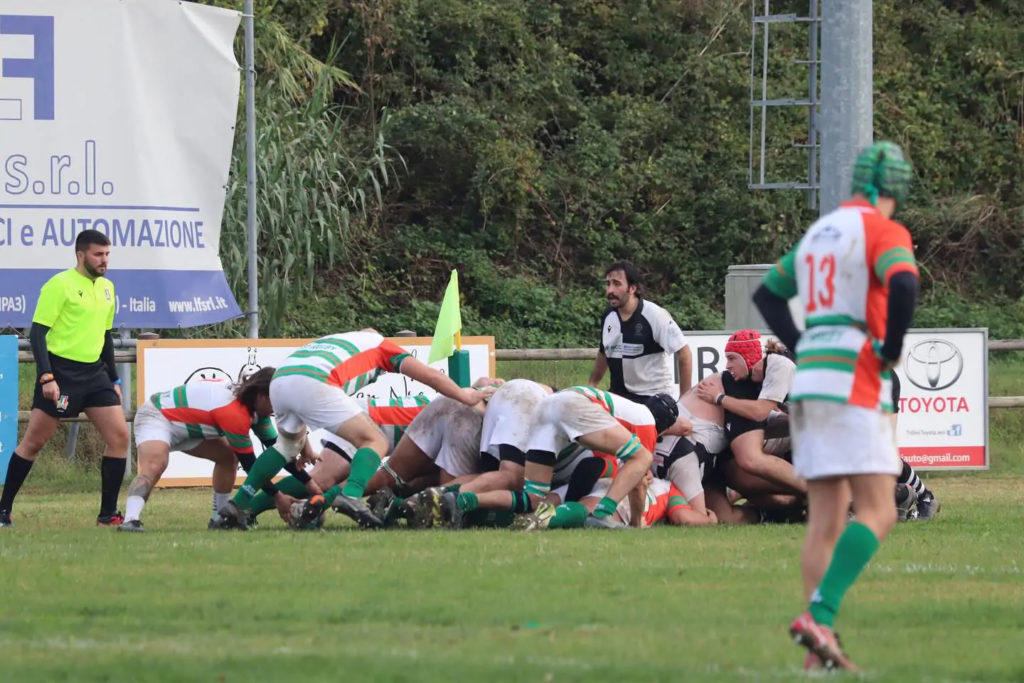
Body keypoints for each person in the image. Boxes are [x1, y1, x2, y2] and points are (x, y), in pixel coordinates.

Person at [753, 140, 918, 671]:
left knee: (823, 519)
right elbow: (905, 282)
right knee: (879, 510)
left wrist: (803, 346)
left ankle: (817, 652)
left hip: (811, 381)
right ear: (893, 189)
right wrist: (889, 350)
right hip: (854, 378)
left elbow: (769, 295)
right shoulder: (884, 230)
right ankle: (819, 614)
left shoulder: (820, 231)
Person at [211, 330, 492, 530]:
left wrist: (302, 440)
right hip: (314, 382)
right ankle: (352, 495)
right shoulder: (384, 347)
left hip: (282, 377)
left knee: (285, 448)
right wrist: (467, 396)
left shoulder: (346, 341)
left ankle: (238, 506)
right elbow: (431, 376)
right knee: (374, 441)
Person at [0, 230, 129, 528]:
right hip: (62, 375)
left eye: (107, 254)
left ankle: (107, 514)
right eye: (98, 255)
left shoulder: (108, 288)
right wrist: (47, 377)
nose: (104, 260)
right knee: (34, 442)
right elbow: (38, 333)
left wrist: (114, 380)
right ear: (81, 255)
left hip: (95, 375)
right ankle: (3, 510)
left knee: (119, 437)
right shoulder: (59, 285)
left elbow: (105, 337)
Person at [118, 368, 285, 532]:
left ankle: (220, 519)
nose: (277, 406)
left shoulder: (255, 407)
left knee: (228, 456)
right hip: (158, 415)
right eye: (275, 399)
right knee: (155, 465)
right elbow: (252, 467)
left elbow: (278, 448)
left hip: (188, 427)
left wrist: (306, 473)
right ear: (262, 396)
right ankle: (130, 520)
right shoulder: (234, 412)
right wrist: (278, 496)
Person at [589, 261, 692, 401]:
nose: (610, 290)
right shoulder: (608, 316)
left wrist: (685, 399)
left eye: (617, 284)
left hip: (652, 398)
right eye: (608, 284)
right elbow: (603, 353)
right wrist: (591, 385)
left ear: (632, 288)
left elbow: (684, 353)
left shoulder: (655, 315)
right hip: (619, 398)